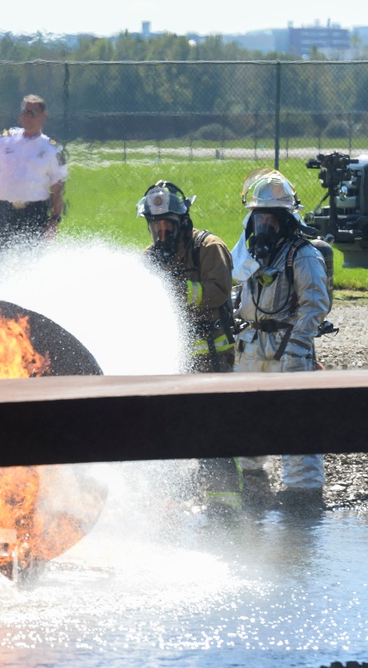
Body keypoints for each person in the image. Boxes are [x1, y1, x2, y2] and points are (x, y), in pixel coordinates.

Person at [231, 168, 332, 514]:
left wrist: (298, 347)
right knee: (246, 421)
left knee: (297, 424)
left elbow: (315, 304)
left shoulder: (302, 255)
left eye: (270, 220)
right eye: (259, 219)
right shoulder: (249, 254)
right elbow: (239, 294)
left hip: (288, 346)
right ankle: (255, 492)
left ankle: (303, 499)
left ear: (285, 220)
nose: (263, 227)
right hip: (252, 344)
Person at [137, 180, 240, 512]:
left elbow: (218, 292)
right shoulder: (148, 259)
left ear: (183, 222)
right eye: (156, 226)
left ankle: (224, 505)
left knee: (214, 429)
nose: (162, 232)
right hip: (173, 357)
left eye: (169, 224)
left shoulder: (209, 248)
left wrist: (172, 292)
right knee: (171, 426)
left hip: (213, 354)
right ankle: (168, 505)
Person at [0, 95, 67, 256]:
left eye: (32, 113)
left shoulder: (51, 150)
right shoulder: (4, 141)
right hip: (4, 211)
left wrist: (54, 220)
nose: (27, 117)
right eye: (24, 112)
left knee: (31, 260)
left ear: (44, 116)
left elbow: (57, 189)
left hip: (34, 213)